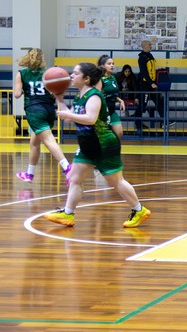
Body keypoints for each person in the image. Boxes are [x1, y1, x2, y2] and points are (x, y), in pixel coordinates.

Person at [43, 62, 151, 228]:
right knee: (74, 178)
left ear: (86, 79)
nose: (71, 75)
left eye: (75, 73)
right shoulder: (80, 96)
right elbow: (69, 117)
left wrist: (67, 113)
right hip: (88, 145)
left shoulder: (94, 96)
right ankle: (68, 214)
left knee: (117, 182)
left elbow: (91, 118)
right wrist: (59, 97)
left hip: (103, 145)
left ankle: (139, 209)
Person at [13, 48, 72, 183]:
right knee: (34, 143)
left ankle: (67, 168)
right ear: (42, 60)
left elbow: (16, 95)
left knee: (49, 140)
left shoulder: (22, 74)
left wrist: (24, 90)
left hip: (34, 110)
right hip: (48, 109)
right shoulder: (48, 74)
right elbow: (53, 93)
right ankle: (29, 173)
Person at [135, 40, 158, 133]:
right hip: (145, 84)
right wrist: (150, 82)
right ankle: (138, 124)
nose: (151, 46)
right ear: (144, 46)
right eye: (149, 45)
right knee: (142, 105)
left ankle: (166, 122)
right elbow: (144, 72)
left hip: (152, 84)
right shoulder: (142, 58)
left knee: (159, 100)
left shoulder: (150, 55)